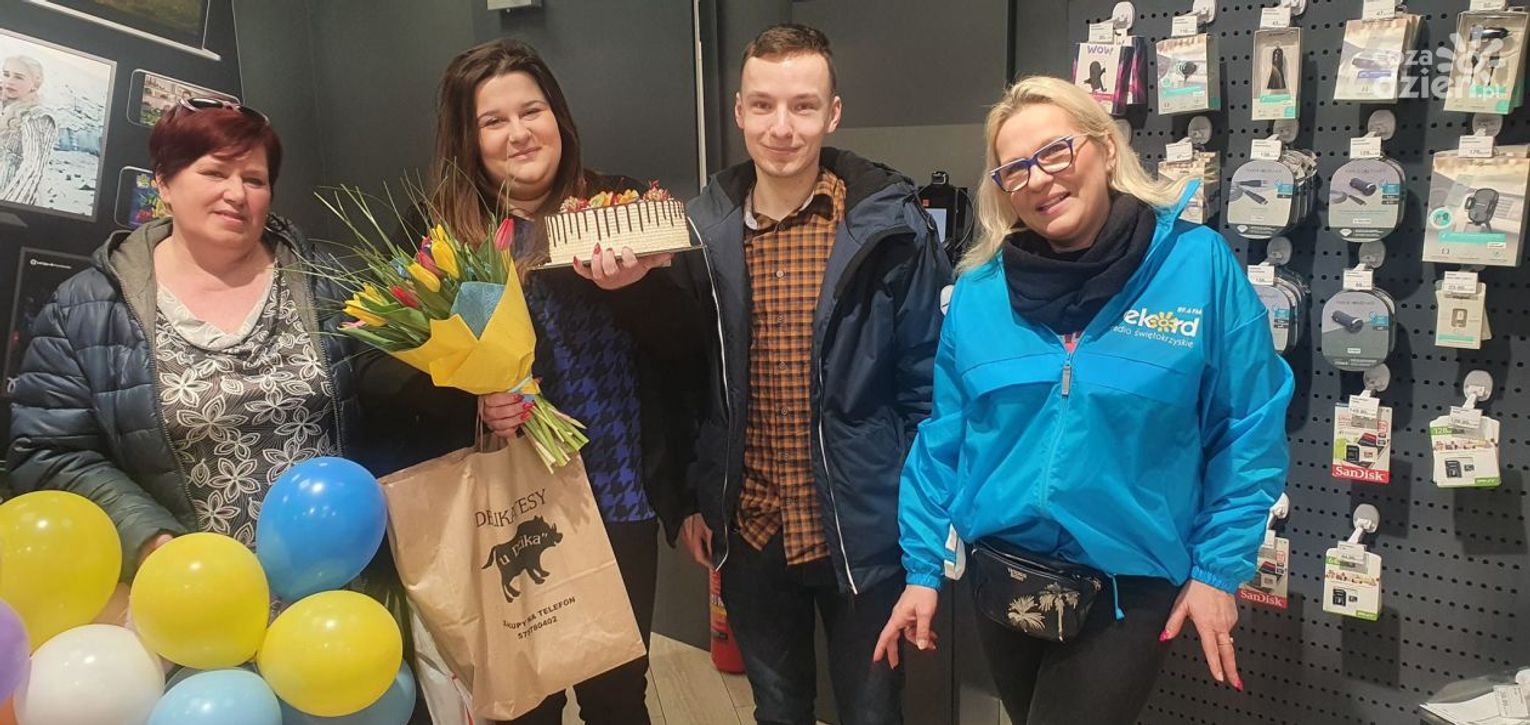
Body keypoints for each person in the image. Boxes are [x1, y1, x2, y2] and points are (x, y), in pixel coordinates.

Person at [872, 76, 1294, 724]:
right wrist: (923, 568)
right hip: (1003, 577)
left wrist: (1217, 568)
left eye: (1055, 152)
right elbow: (945, 439)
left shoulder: (1197, 267)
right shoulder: (980, 293)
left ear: (1105, 147)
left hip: (1127, 588)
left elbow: (1248, 427)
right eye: (1015, 169)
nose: (1039, 179)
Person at [357, 39, 708, 725]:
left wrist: (634, 290)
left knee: (618, 693)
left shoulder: (620, 205)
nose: (519, 132)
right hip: (504, 501)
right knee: (523, 702)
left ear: (559, 116)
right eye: (494, 121)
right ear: (468, 138)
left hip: (616, 492)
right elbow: (376, 368)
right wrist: (472, 396)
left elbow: (688, 349)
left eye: (532, 110)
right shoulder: (441, 232)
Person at [679, 24, 951, 725]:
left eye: (802, 106)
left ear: (832, 114)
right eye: (763, 105)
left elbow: (928, 384)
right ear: (738, 111)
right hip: (752, 530)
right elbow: (688, 378)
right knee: (777, 707)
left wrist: (919, 515)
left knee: (873, 711)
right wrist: (693, 495)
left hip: (863, 527)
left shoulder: (889, 226)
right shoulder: (702, 231)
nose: (782, 127)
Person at [7, 98, 363, 569]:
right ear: (164, 183)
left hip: (335, 579)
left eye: (254, 180)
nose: (236, 193)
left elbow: (387, 405)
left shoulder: (327, 283)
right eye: (214, 173)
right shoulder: (84, 309)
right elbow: (50, 452)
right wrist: (152, 540)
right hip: (185, 585)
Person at [0, 55, 58, 205]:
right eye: (6, 74)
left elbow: (32, 170)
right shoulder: (6, 109)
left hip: (13, 198)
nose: (9, 81)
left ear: (34, 85)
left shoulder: (37, 117)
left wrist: (8, 207)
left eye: (18, 77)